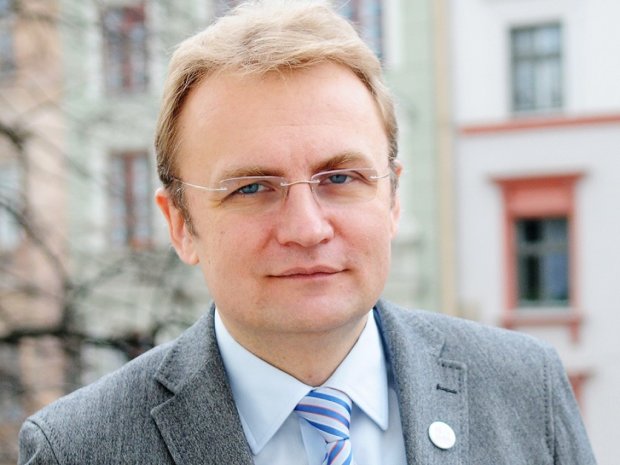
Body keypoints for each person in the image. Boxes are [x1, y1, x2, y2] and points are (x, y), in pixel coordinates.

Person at [19, 1, 596, 464]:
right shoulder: (78, 449)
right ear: (180, 225)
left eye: (340, 178)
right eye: (252, 188)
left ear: (393, 198)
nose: (307, 228)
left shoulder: (526, 389)